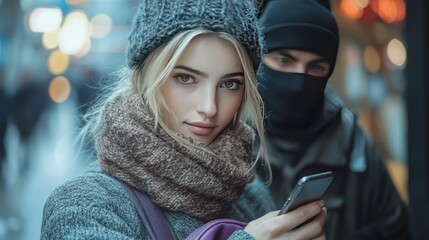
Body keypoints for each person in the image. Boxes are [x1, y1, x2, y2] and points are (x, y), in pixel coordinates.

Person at [41, 0, 328, 239]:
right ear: (146, 78)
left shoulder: (251, 196)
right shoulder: (84, 203)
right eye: (186, 78)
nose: (209, 107)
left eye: (230, 84)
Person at [256, 0, 411, 239]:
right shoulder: (224, 135)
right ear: (258, 59)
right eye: (284, 60)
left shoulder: (354, 146)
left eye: (316, 66)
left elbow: (396, 230)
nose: (299, 81)